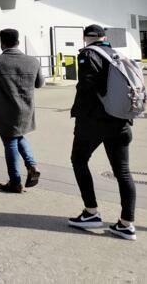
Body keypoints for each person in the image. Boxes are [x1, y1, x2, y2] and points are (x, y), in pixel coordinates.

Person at [68, 24, 137, 240]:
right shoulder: (118, 54)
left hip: (95, 122)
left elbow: (86, 86)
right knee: (123, 172)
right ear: (104, 37)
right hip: (122, 121)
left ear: (85, 37)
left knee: (78, 160)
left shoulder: (88, 54)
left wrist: (78, 113)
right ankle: (126, 224)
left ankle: (91, 212)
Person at [0, 28, 44, 193]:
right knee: (18, 136)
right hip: (26, 109)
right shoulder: (33, 61)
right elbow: (39, 84)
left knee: (10, 143)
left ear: (2, 43)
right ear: (18, 42)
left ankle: (15, 182)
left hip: (5, 111)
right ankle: (32, 166)